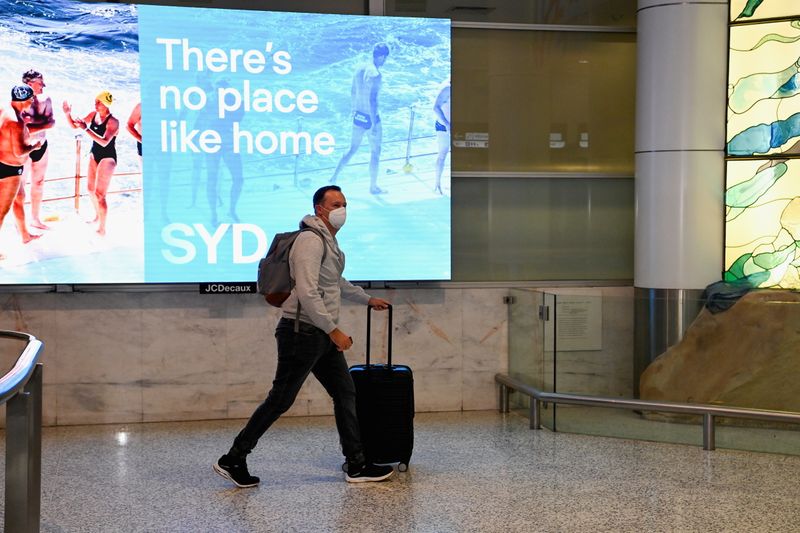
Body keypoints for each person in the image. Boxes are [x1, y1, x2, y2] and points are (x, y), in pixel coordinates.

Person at [214, 185, 394, 487]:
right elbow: (308, 292)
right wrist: (334, 330)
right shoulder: (310, 241)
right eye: (336, 204)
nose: (342, 210)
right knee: (280, 400)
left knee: (345, 393)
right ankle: (233, 458)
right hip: (302, 333)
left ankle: (356, 464)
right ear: (319, 208)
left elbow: (336, 282)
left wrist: (367, 299)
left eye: (345, 203)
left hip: (318, 333)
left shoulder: (329, 242)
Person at [330, 43, 390, 195]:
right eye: (385, 58)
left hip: (358, 115)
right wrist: (375, 124)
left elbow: (352, 91)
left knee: (352, 149)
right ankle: (373, 187)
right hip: (370, 118)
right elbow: (373, 100)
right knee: (376, 151)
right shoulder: (376, 75)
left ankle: (333, 178)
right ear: (381, 56)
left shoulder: (359, 68)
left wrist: (353, 111)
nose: (385, 62)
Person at [62, 91, 119, 236]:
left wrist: (86, 128)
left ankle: (102, 228)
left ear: (106, 104)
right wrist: (68, 114)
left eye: (98, 102)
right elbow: (75, 126)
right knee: (89, 188)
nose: (96, 104)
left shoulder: (113, 122)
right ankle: (97, 216)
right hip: (95, 154)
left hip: (108, 157)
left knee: (100, 194)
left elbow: (104, 142)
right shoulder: (93, 115)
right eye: (95, 101)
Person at [0, 85, 43, 259]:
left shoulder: (4, 109)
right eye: (31, 98)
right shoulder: (17, 122)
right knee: (1, 212)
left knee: (19, 198)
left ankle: (25, 235)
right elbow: (19, 151)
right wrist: (35, 145)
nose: (33, 101)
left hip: (2, 162)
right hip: (10, 170)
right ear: (25, 99)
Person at [15, 70, 55, 231]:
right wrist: (41, 125)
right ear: (29, 84)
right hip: (24, 147)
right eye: (40, 82)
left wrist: (32, 126)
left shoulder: (46, 99)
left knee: (39, 183)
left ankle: (35, 219)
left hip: (41, 145)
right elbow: (20, 130)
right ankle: (20, 223)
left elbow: (51, 122)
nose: (43, 85)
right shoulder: (19, 103)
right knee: (21, 187)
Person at [432, 77, 451, 195]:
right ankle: (437, 184)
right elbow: (435, 108)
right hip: (443, 126)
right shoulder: (447, 89)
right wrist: (447, 124)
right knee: (442, 154)